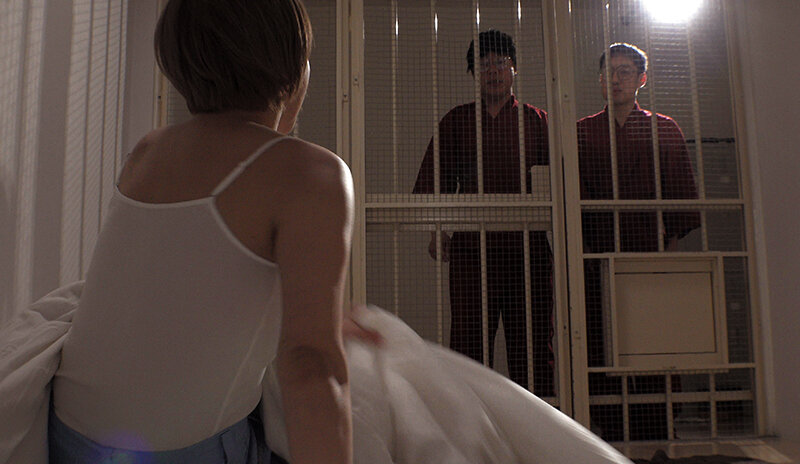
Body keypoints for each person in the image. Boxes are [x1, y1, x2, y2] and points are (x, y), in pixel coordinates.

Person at [49, 1, 354, 463]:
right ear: (295, 67)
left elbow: (182, 296)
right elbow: (311, 364)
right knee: (379, 395)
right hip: (179, 453)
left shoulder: (148, 151)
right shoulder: (312, 174)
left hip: (65, 438)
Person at [412, 30, 554, 396]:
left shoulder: (537, 121)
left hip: (528, 250)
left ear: (514, 68)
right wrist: (436, 231)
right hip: (472, 250)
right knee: (468, 346)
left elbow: (561, 189)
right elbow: (435, 180)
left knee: (533, 344)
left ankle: (535, 420)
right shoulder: (457, 121)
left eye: (500, 63)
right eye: (484, 64)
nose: (492, 71)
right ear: (474, 73)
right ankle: (469, 422)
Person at [577, 42, 701, 441]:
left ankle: (658, 418)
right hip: (596, 247)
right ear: (600, 80)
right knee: (599, 331)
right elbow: (573, 194)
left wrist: (671, 246)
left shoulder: (664, 127)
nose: (616, 79)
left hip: (649, 243)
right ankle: (608, 420)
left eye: (625, 72)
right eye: (609, 72)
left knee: (652, 330)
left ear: (641, 79)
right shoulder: (581, 130)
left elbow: (679, 190)